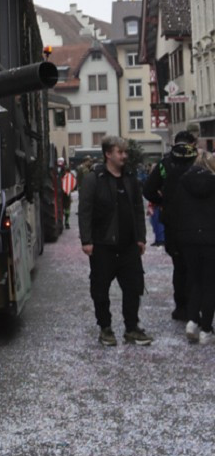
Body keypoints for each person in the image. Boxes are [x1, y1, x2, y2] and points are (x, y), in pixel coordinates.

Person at [78, 135, 152, 346]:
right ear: (108, 154)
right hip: (103, 245)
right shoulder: (94, 178)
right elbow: (85, 211)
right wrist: (87, 240)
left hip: (128, 245)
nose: (124, 156)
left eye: (125, 152)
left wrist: (140, 238)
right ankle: (105, 328)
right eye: (120, 152)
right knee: (100, 289)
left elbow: (138, 209)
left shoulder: (130, 178)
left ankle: (131, 328)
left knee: (133, 287)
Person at [142, 129, 198, 320]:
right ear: (193, 143)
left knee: (179, 266)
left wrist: (163, 201)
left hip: (173, 224)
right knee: (196, 265)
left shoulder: (165, 163)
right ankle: (194, 307)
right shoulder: (198, 161)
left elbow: (148, 189)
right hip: (197, 223)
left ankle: (180, 307)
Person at [173, 151, 215, 344]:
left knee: (195, 280)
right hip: (210, 238)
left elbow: (177, 210)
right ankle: (206, 329)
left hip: (188, 239)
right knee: (209, 284)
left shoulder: (183, 182)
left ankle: (191, 321)